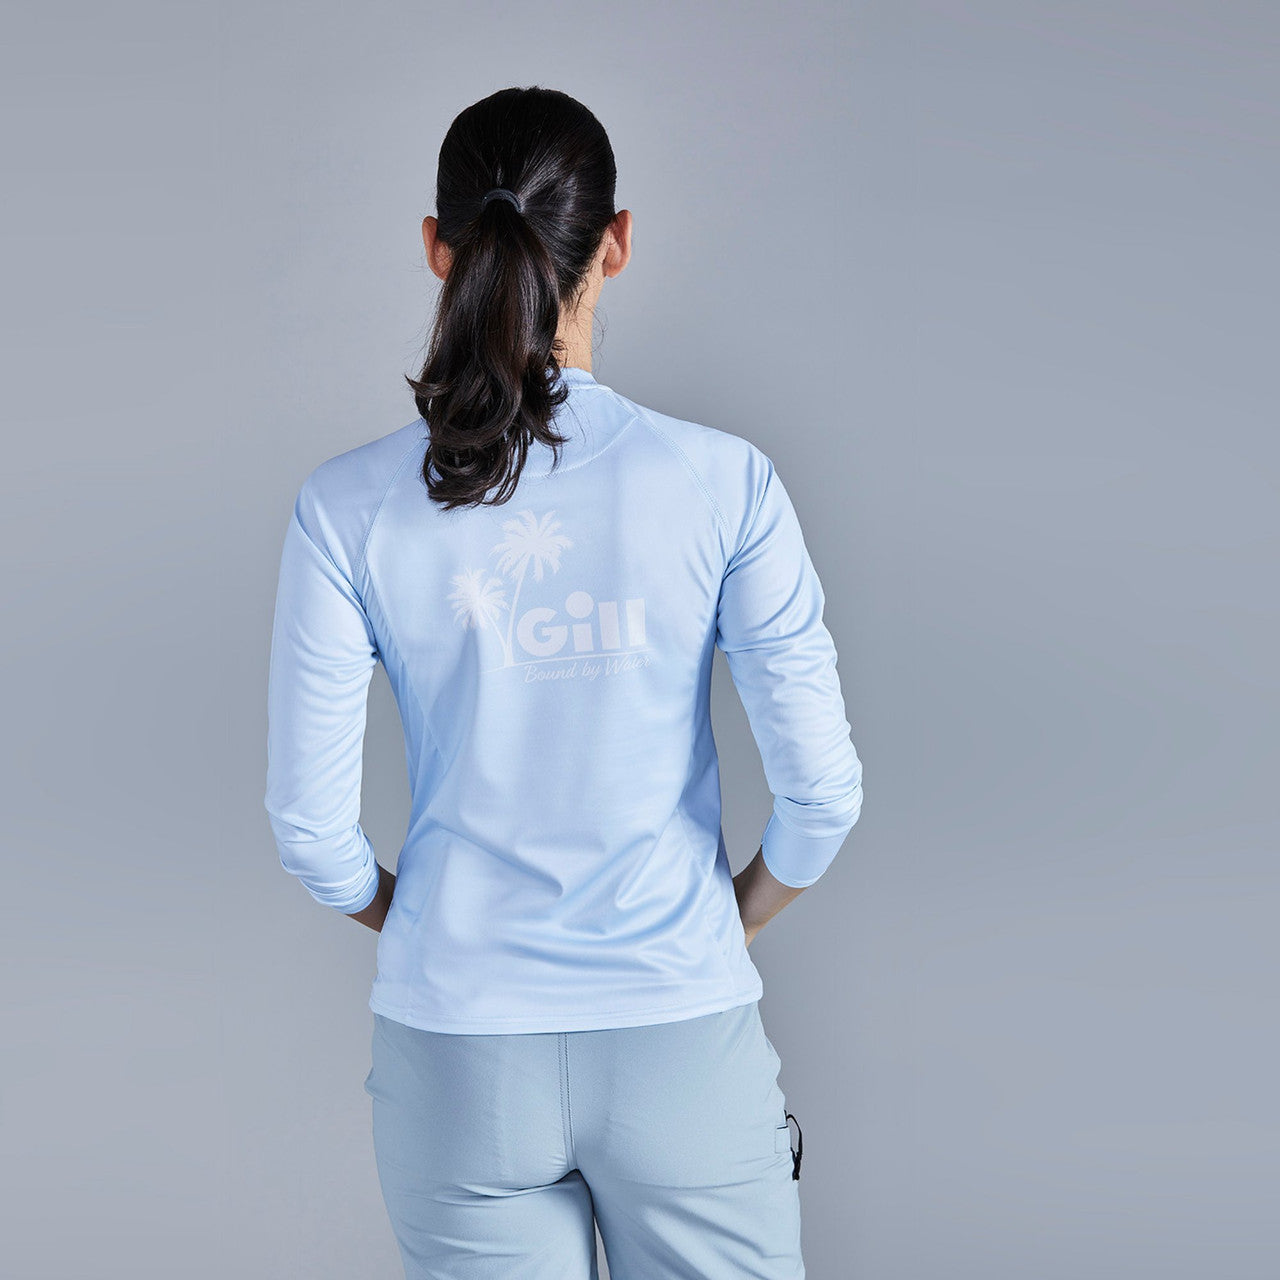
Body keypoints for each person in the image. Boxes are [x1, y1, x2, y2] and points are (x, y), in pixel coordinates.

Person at [263, 85, 864, 1280]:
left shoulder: (343, 507)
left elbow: (311, 834)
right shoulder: (724, 482)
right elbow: (822, 798)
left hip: (457, 1055)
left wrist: (417, 916)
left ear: (437, 247)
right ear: (617, 241)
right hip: (677, 1033)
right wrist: (724, 915)